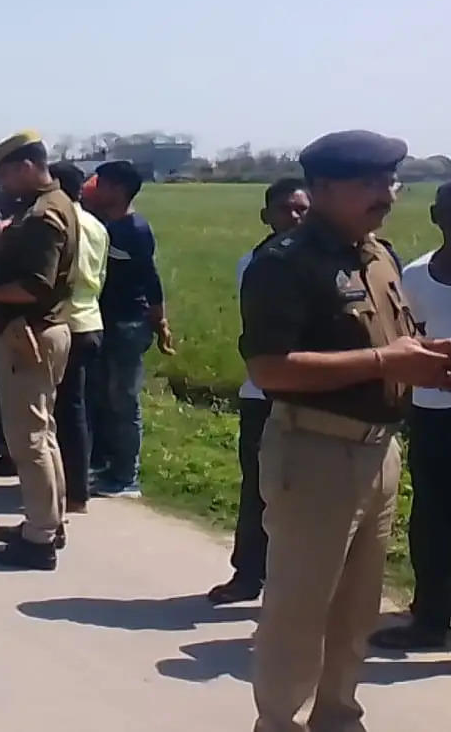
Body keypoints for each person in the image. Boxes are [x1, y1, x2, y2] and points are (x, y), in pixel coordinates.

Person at [241, 130, 451, 731]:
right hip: (314, 450)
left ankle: (337, 716)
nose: (387, 193)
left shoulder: (379, 255)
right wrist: (389, 364)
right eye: (370, 183)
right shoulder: (285, 263)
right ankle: (280, 722)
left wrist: (426, 358)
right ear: (325, 187)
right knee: (300, 609)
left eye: (390, 181)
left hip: (378, 454)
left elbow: (390, 341)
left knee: (356, 609)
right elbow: (268, 367)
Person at [0, 131, 79, 570]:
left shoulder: (42, 215)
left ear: (26, 167)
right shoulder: (47, 207)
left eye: (5, 174)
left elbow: (35, 285)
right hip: (41, 330)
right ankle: (48, 521)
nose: (1, 184)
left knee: (28, 438)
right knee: (43, 432)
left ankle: (39, 537)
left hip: (28, 333)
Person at [208, 178, 309, 606]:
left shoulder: (326, 260)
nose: (296, 217)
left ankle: (299, 583)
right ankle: (249, 572)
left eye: (304, 209)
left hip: (318, 390)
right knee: (260, 489)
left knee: (312, 492)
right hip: (265, 390)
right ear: (267, 215)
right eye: (287, 209)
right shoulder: (257, 262)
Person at [369, 179, 451, 651]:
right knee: (431, 521)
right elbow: (402, 338)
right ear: (435, 216)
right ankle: (430, 617)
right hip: (433, 414)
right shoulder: (416, 277)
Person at [85, 159, 175, 498]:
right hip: (103, 321)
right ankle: (107, 465)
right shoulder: (103, 224)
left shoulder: (134, 229)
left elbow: (150, 280)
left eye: (102, 184)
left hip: (128, 323)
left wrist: (160, 322)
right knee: (103, 397)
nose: (95, 188)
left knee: (122, 399)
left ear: (119, 189)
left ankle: (127, 477)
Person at [50, 162, 108, 515]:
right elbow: (100, 274)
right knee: (76, 407)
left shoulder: (58, 222)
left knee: (64, 410)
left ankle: (71, 489)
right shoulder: (97, 225)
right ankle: (75, 486)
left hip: (64, 321)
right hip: (90, 318)